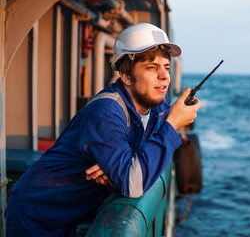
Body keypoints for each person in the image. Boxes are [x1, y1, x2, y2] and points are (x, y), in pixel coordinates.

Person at [5, 23, 202, 237]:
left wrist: (118, 169)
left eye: (166, 67)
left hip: (77, 210)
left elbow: (136, 166)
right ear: (126, 75)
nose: (164, 76)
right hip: (38, 213)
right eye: (151, 67)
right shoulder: (105, 112)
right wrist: (172, 126)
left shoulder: (156, 107)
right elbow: (133, 182)